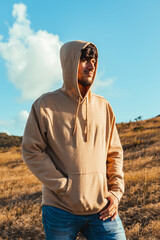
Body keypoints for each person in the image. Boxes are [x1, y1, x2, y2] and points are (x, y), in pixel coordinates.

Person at [22, 40, 126, 240]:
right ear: (69, 63)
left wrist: (115, 192)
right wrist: (64, 186)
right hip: (60, 209)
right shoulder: (45, 105)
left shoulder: (104, 107)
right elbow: (31, 150)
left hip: (101, 209)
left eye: (93, 60)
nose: (91, 65)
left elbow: (115, 152)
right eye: (84, 59)